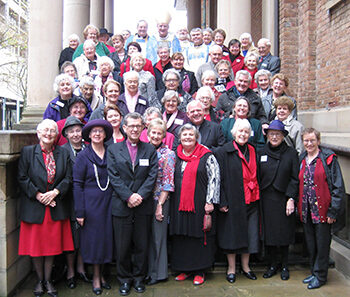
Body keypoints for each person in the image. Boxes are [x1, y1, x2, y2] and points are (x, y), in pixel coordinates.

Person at [18, 119, 73, 297]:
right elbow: (22, 177)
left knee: (51, 248)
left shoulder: (63, 153)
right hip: (35, 207)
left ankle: (49, 281)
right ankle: (39, 281)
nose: (49, 134)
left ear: (57, 135)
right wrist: (39, 195)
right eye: (45, 131)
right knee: (36, 248)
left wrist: (55, 192)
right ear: (38, 133)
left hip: (56, 207)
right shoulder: (27, 152)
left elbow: (68, 178)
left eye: (52, 131)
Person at [107, 112, 158, 296]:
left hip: (143, 206)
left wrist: (139, 196)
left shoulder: (150, 150)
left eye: (138, 125)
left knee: (141, 244)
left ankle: (138, 278)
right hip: (121, 205)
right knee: (122, 246)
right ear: (125, 128)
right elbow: (114, 176)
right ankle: (124, 280)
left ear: (143, 127)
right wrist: (129, 197)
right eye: (131, 126)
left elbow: (152, 176)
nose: (135, 129)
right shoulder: (113, 150)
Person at [169, 123, 220, 285]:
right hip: (178, 204)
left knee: (199, 236)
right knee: (182, 235)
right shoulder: (175, 155)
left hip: (199, 203)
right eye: (184, 135)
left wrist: (210, 201)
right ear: (180, 138)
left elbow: (214, 179)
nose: (188, 137)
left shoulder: (207, 155)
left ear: (197, 137)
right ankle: (184, 268)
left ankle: (200, 270)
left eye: (191, 135)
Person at [298, 128, 345, 289]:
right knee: (311, 244)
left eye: (312, 140)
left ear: (318, 141)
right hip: (307, 209)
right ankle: (314, 272)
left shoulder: (328, 158)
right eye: (306, 140)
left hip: (323, 211)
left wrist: (333, 210)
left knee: (322, 244)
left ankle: (321, 276)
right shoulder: (302, 158)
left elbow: (338, 187)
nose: (309, 143)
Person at [215, 118, 260, 284]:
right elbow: (218, 179)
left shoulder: (254, 151)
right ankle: (231, 268)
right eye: (240, 131)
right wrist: (222, 201)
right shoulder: (223, 152)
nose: (243, 134)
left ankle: (246, 267)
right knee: (231, 235)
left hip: (252, 200)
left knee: (250, 234)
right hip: (232, 201)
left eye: (246, 132)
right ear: (234, 133)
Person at [73, 119, 114, 295]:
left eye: (100, 131)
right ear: (89, 135)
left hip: (109, 203)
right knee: (95, 241)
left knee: (106, 240)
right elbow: (77, 184)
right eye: (94, 131)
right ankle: (96, 277)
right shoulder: (83, 156)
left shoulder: (111, 153)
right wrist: (80, 212)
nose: (97, 134)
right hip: (91, 205)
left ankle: (104, 275)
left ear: (105, 135)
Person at [258, 120, 299, 281]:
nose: (274, 137)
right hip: (266, 198)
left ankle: (284, 266)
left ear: (283, 136)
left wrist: (291, 198)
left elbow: (295, 178)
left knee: (283, 235)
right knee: (269, 235)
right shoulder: (261, 152)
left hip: (283, 198)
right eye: (271, 134)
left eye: (277, 134)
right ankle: (272, 265)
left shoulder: (291, 153)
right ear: (267, 135)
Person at [61, 116, 89, 289]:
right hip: (70, 200)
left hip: (89, 198)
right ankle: (70, 271)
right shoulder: (63, 151)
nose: (76, 134)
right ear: (66, 134)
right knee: (72, 237)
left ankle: (81, 269)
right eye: (72, 131)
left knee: (84, 236)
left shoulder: (89, 148)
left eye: (78, 130)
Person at [146, 118, 176, 285]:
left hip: (160, 201)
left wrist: (159, 206)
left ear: (164, 135)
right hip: (144, 201)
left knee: (158, 238)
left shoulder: (169, 154)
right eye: (153, 132)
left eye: (159, 133)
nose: (156, 135)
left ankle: (158, 274)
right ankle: (148, 271)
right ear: (148, 134)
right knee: (147, 238)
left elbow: (168, 183)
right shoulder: (143, 150)